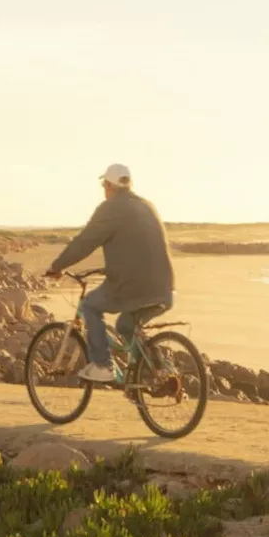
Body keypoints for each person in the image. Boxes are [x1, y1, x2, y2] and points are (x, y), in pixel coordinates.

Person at [43, 164, 175, 383]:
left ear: (109, 185)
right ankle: (159, 372)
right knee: (125, 326)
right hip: (166, 289)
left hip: (132, 287)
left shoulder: (111, 207)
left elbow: (85, 241)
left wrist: (57, 266)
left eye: (104, 185)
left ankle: (103, 365)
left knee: (89, 306)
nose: (104, 189)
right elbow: (138, 247)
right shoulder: (147, 206)